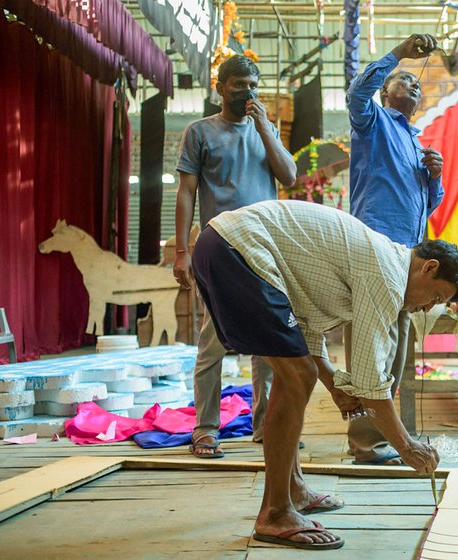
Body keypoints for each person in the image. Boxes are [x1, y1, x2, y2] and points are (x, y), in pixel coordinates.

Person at [192, 199, 458, 550]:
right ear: (428, 268)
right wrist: (406, 446)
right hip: (236, 248)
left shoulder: (379, 259)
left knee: (298, 371)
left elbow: (303, 330)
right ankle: (275, 513)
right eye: (435, 297)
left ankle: (293, 489)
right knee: (297, 377)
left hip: (224, 245)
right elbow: (370, 383)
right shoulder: (387, 275)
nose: (426, 307)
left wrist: (333, 381)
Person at [174, 55, 297, 458]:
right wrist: (181, 251)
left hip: (266, 249)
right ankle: (206, 429)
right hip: (219, 247)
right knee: (213, 341)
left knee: (268, 342)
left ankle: (265, 426)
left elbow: (290, 177)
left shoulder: (267, 130)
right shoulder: (200, 132)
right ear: (221, 87)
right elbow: (186, 193)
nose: (247, 91)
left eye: (253, 84)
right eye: (239, 84)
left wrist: (264, 127)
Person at [344, 32, 445, 465]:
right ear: (386, 91)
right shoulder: (372, 122)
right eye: (405, 80)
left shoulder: (416, 142)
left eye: (418, 85)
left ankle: (388, 434)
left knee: (397, 349)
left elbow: (429, 204)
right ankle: (367, 443)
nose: (415, 86)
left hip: (408, 258)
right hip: (375, 249)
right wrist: (398, 55)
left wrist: (435, 176)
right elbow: (356, 92)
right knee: (371, 346)